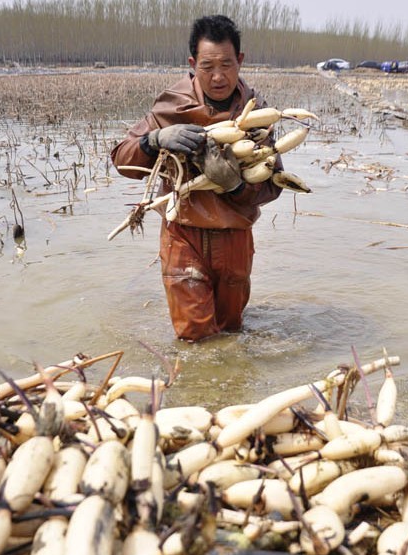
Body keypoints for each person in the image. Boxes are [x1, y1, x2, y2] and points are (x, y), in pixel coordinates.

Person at [111, 14, 283, 342]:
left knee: (231, 332)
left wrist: (236, 185)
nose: (218, 76)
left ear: (240, 61)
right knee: (195, 339)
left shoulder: (258, 113)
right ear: (192, 63)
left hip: (234, 237)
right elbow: (122, 160)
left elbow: (274, 183)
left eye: (227, 65)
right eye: (207, 66)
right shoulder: (172, 106)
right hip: (183, 235)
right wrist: (154, 140)